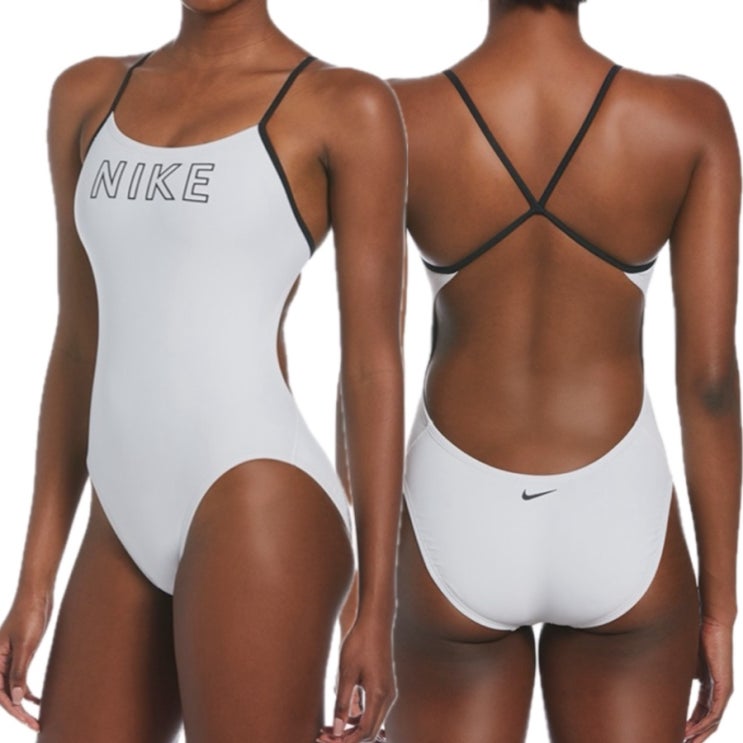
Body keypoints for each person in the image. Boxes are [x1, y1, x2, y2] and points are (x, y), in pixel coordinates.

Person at [0, 1, 406, 741]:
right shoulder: (87, 95)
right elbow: (78, 344)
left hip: (258, 496)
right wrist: (35, 580)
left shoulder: (343, 105)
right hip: (120, 513)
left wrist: (376, 609)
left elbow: (371, 368)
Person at [386, 0, 740, 741]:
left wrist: (361, 600)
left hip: (453, 511)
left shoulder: (396, 117)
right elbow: (709, 384)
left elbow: (368, 374)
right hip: (620, 515)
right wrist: (720, 608)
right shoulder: (688, 118)